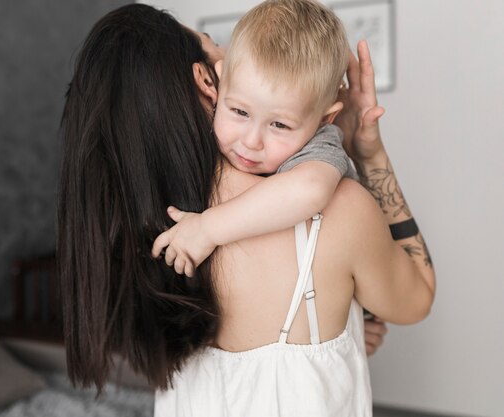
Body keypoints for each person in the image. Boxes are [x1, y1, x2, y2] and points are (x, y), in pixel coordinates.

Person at [56, 3, 435, 416]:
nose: (222, 53)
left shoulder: (150, 232)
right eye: (212, 44)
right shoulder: (335, 209)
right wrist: (370, 152)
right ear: (206, 81)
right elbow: (417, 297)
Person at [151, 0, 367, 278]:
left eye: (279, 125)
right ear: (219, 81)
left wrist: (208, 229)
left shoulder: (321, 146)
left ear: (325, 120)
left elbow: (310, 189)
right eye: (239, 111)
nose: (252, 141)